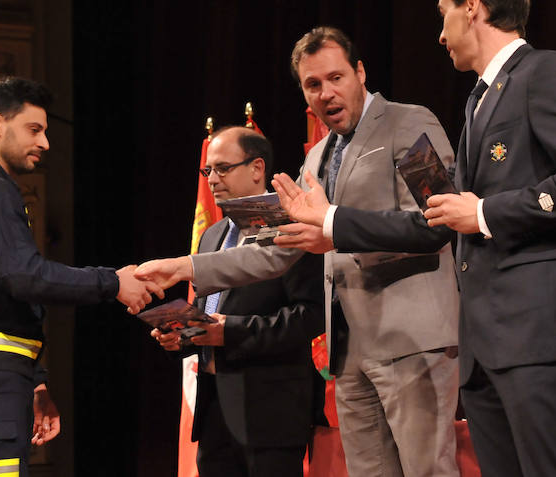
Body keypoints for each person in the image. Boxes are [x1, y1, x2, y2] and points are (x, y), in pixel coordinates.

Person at [282, 0, 556, 477]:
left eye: (443, 14)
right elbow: (434, 219)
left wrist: (485, 212)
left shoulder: (546, 72)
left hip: (536, 334)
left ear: (472, 5)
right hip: (483, 351)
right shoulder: (476, 103)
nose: (439, 35)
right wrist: (330, 222)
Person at [137, 27, 461, 477]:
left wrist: (335, 227)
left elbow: (439, 221)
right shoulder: (313, 160)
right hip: (348, 354)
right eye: (313, 84)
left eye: (336, 78)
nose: (326, 93)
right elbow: (271, 252)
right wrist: (182, 266)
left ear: (360, 73)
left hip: (411, 343)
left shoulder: (407, 123)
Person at [0, 76, 161, 477]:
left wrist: (34, 382)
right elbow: (25, 277)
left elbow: (4, 291)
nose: (46, 143)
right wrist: (114, 282)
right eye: (34, 129)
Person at [152, 126, 324, 477]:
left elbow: (311, 316)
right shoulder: (212, 234)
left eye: (222, 168)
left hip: (270, 412)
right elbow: (209, 314)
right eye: (207, 171)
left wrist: (231, 332)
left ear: (257, 168)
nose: (212, 179)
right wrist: (182, 334)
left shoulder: (291, 226)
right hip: (214, 408)